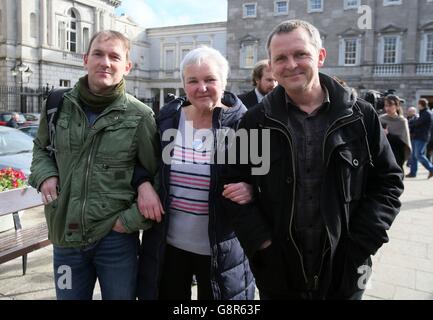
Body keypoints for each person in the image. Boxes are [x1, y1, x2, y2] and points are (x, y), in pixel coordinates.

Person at [223, 19, 404, 300]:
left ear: (320, 56)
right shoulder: (256, 122)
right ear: (270, 66)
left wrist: (362, 243)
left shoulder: (360, 116)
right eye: (280, 58)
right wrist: (263, 244)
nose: (291, 64)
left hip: (346, 268)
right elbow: (234, 182)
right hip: (278, 272)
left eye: (300, 54)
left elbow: (388, 183)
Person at [29, 30, 160, 300]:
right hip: (65, 236)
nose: (105, 62)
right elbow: (41, 148)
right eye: (98, 54)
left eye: (115, 56)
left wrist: (129, 221)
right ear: (85, 59)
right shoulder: (56, 104)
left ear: (127, 66)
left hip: (116, 240)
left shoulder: (140, 116)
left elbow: (156, 175)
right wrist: (46, 175)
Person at [136, 46, 255, 300]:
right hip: (168, 248)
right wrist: (144, 185)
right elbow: (142, 162)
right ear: (183, 84)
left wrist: (252, 189)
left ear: (224, 81)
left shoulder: (245, 123)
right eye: (193, 81)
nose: (202, 87)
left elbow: (268, 177)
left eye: (210, 79)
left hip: (222, 252)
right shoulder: (167, 118)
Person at [379, 95, 411, 170]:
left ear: (397, 106)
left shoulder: (402, 121)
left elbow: (403, 142)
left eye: (390, 105)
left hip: (397, 156)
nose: (387, 108)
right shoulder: (381, 119)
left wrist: (388, 134)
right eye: (386, 105)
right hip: (383, 155)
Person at [406, 98, 433, 179]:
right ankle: (413, 173)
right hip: (417, 136)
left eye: (418, 104)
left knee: (419, 155)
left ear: (421, 105)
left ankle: (431, 169)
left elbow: (417, 123)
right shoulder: (423, 113)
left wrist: (408, 125)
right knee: (414, 155)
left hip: (422, 137)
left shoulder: (427, 113)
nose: (417, 106)